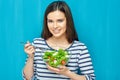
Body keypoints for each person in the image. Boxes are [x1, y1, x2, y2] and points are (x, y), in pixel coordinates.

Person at [23, 1, 95, 80]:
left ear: (68, 21)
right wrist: (31, 57)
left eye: (60, 21)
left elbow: (91, 78)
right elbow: (27, 78)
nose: (55, 26)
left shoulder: (79, 48)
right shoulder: (37, 43)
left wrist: (68, 73)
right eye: (50, 21)